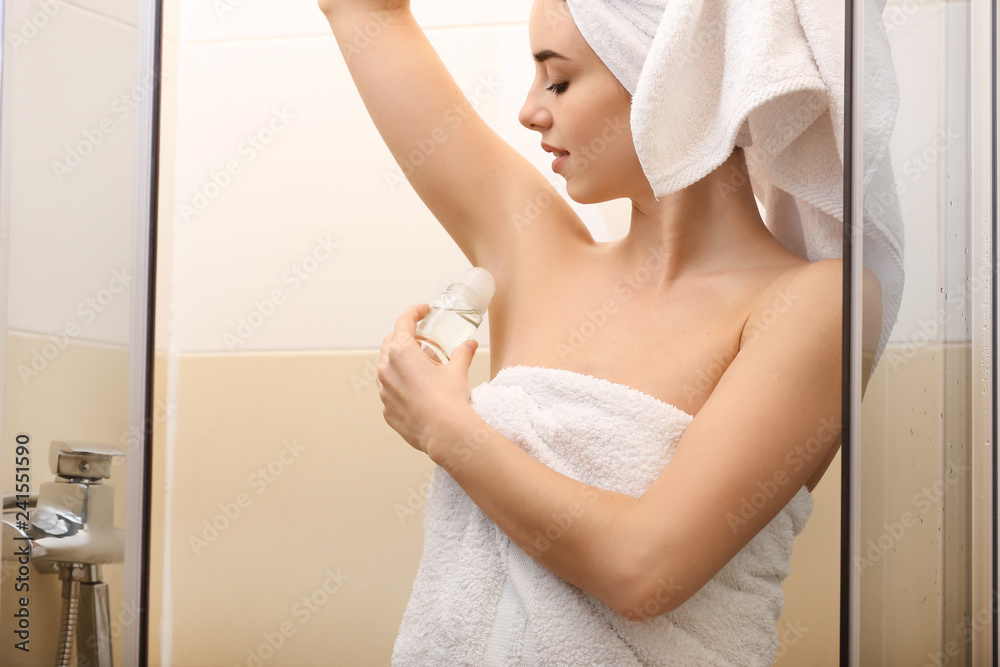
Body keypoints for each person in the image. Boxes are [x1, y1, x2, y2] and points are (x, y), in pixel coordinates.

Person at [321, 0, 883, 662]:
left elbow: (645, 570)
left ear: (668, 76)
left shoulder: (816, 304)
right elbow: (362, 13)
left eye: (557, 79)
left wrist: (446, 428)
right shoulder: (538, 256)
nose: (530, 110)